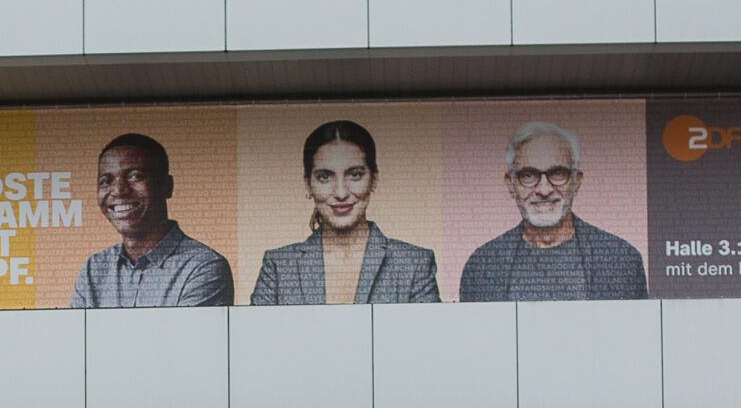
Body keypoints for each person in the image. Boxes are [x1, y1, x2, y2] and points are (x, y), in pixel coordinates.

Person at [248, 121, 441, 306]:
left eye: (355, 174)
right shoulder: (279, 266)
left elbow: (428, 330)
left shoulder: (413, 263)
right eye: (325, 177)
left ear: (374, 179)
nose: (341, 193)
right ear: (308, 184)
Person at [457, 121, 648, 303]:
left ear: (577, 181)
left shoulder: (621, 260)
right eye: (529, 175)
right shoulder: (481, 265)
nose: (544, 190)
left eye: (557, 174)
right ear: (510, 184)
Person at [68, 133, 235, 309]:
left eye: (135, 176)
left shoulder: (203, 267)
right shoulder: (94, 269)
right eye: (106, 181)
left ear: (167, 186)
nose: (119, 190)